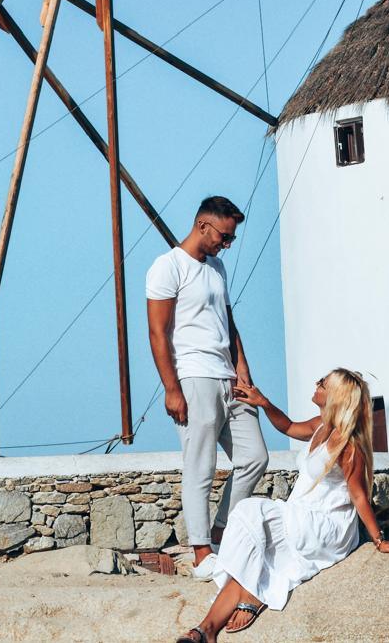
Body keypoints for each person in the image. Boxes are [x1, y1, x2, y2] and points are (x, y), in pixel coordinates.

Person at [174, 368, 389, 642]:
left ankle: (253, 595)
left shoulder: (349, 444)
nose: (316, 384)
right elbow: (287, 426)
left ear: (334, 396)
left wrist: (379, 540)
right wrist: (263, 402)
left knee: (252, 516)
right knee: (249, 531)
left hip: (325, 525)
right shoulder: (321, 425)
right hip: (301, 514)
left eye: (322, 383)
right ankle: (205, 631)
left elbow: (359, 495)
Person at [146, 196, 268, 579]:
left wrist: (242, 367)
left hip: (228, 375)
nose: (227, 245)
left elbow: (227, 321)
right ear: (203, 226)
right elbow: (158, 333)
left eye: (230, 238)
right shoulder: (168, 267)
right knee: (200, 465)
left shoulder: (216, 268)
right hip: (193, 375)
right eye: (224, 236)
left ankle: (219, 532)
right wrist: (171, 388)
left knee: (255, 457)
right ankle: (201, 555)